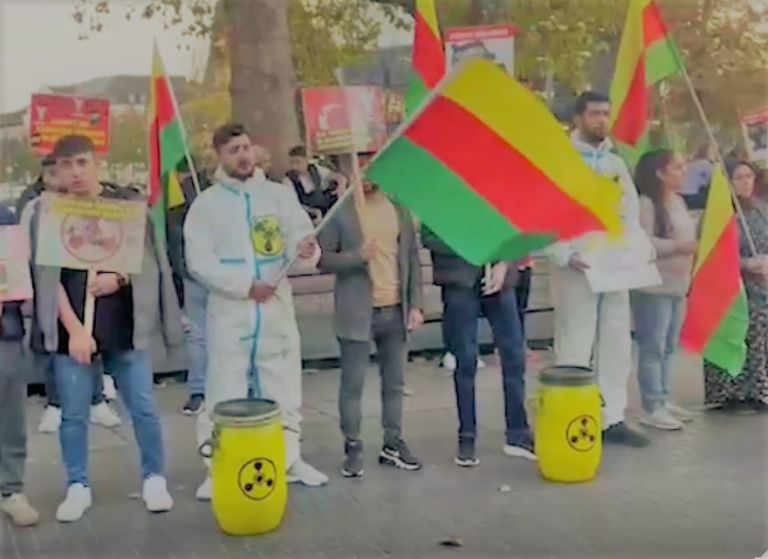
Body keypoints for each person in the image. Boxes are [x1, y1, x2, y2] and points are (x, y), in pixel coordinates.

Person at [29, 135, 181, 522]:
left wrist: (120, 280)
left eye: (82, 162)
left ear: (97, 163)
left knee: (143, 407)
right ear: (57, 171)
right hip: (73, 333)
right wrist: (75, 328)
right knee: (74, 413)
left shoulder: (127, 208)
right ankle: (77, 485)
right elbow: (47, 279)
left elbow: (148, 265)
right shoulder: (49, 214)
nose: (75, 172)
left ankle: (153, 477)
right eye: (67, 165)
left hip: (123, 326)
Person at [185, 124, 328, 499]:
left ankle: (289, 459)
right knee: (223, 391)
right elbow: (199, 261)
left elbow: (300, 239)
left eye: (246, 147)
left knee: (283, 385)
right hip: (232, 314)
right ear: (219, 156)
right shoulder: (207, 205)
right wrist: (245, 285)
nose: (243, 155)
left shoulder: (279, 196)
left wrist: (309, 251)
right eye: (233, 150)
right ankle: (218, 468)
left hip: (276, 309)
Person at [548, 91, 650, 447]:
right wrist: (563, 255)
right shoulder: (561, 160)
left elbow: (631, 212)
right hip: (578, 265)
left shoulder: (614, 163)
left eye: (606, 113)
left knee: (617, 339)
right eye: (595, 113)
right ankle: (574, 414)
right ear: (578, 117)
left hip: (614, 266)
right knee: (576, 340)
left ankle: (612, 417)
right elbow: (544, 214)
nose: (602, 120)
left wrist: (637, 250)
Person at [318, 165, 425, 478]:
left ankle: (393, 444)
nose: (364, 175)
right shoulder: (341, 211)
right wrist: (356, 255)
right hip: (357, 312)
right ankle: (352, 445)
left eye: (369, 167)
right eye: (357, 169)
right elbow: (323, 259)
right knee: (352, 385)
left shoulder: (398, 208)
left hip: (396, 309)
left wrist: (416, 304)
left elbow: (412, 260)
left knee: (394, 384)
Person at [18, 155, 121, 434]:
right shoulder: (35, 205)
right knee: (55, 347)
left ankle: (97, 398)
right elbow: (24, 243)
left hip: (82, 285)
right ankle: (55, 403)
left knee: (91, 341)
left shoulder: (87, 203)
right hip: (48, 286)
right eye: (54, 173)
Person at [422, 228, 533, 466]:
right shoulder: (445, 197)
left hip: (499, 279)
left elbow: (513, 229)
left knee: (513, 352)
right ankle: (467, 437)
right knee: (466, 360)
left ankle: (518, 433)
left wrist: (503, 262)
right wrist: (469, 245)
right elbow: (429, 237)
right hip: (459, 281)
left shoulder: (496, 193)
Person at [631, 150, 697, 430]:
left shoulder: (679, 202)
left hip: (678, 284)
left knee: (669, 346)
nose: (683, 172)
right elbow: (643, 241)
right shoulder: (646, 204)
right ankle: (652, 405)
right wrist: (677, 248)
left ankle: (665, 396)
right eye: (677, 167)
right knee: (653, 345)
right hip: (653, 286)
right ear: (660, 173)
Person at [704, 161, 768, 411]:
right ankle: (729, 392)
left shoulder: (760, 209)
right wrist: (746, 263)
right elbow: (714, 253)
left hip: (760, 286)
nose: (746, 182)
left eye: (749, 176)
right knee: (734, 333)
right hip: (730, 286)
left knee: (760, 335)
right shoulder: (720, 214)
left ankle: (757, 389)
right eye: (739, 177)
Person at [0, 202, 40, 527]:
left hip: (4, 329)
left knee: (9, 412)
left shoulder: (5, 217)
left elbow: (14, 273)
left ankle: (11, 488)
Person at [166, 158, 213, 416]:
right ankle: (246, 385)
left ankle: (198, 391)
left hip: (193, 275)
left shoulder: (174, 204)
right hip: (211, 274)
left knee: (197, 336)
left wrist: (184, 271)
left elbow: (175, 245)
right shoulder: (215, 196)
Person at [283, 146, 346, 224]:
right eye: (292, 163)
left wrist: (341, 187)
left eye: (298, 162)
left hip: (327, 212)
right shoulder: (289, 180)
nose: (294, 166)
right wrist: (314, 212)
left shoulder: (316, 170)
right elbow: (294, 205)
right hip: (308, 217)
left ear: (307, 160)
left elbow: (339, 177)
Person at [680, 144, 713, 210]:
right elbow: (713, 180)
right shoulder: (706, 164)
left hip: (682, 194)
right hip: (693, 195)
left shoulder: (691, 163)